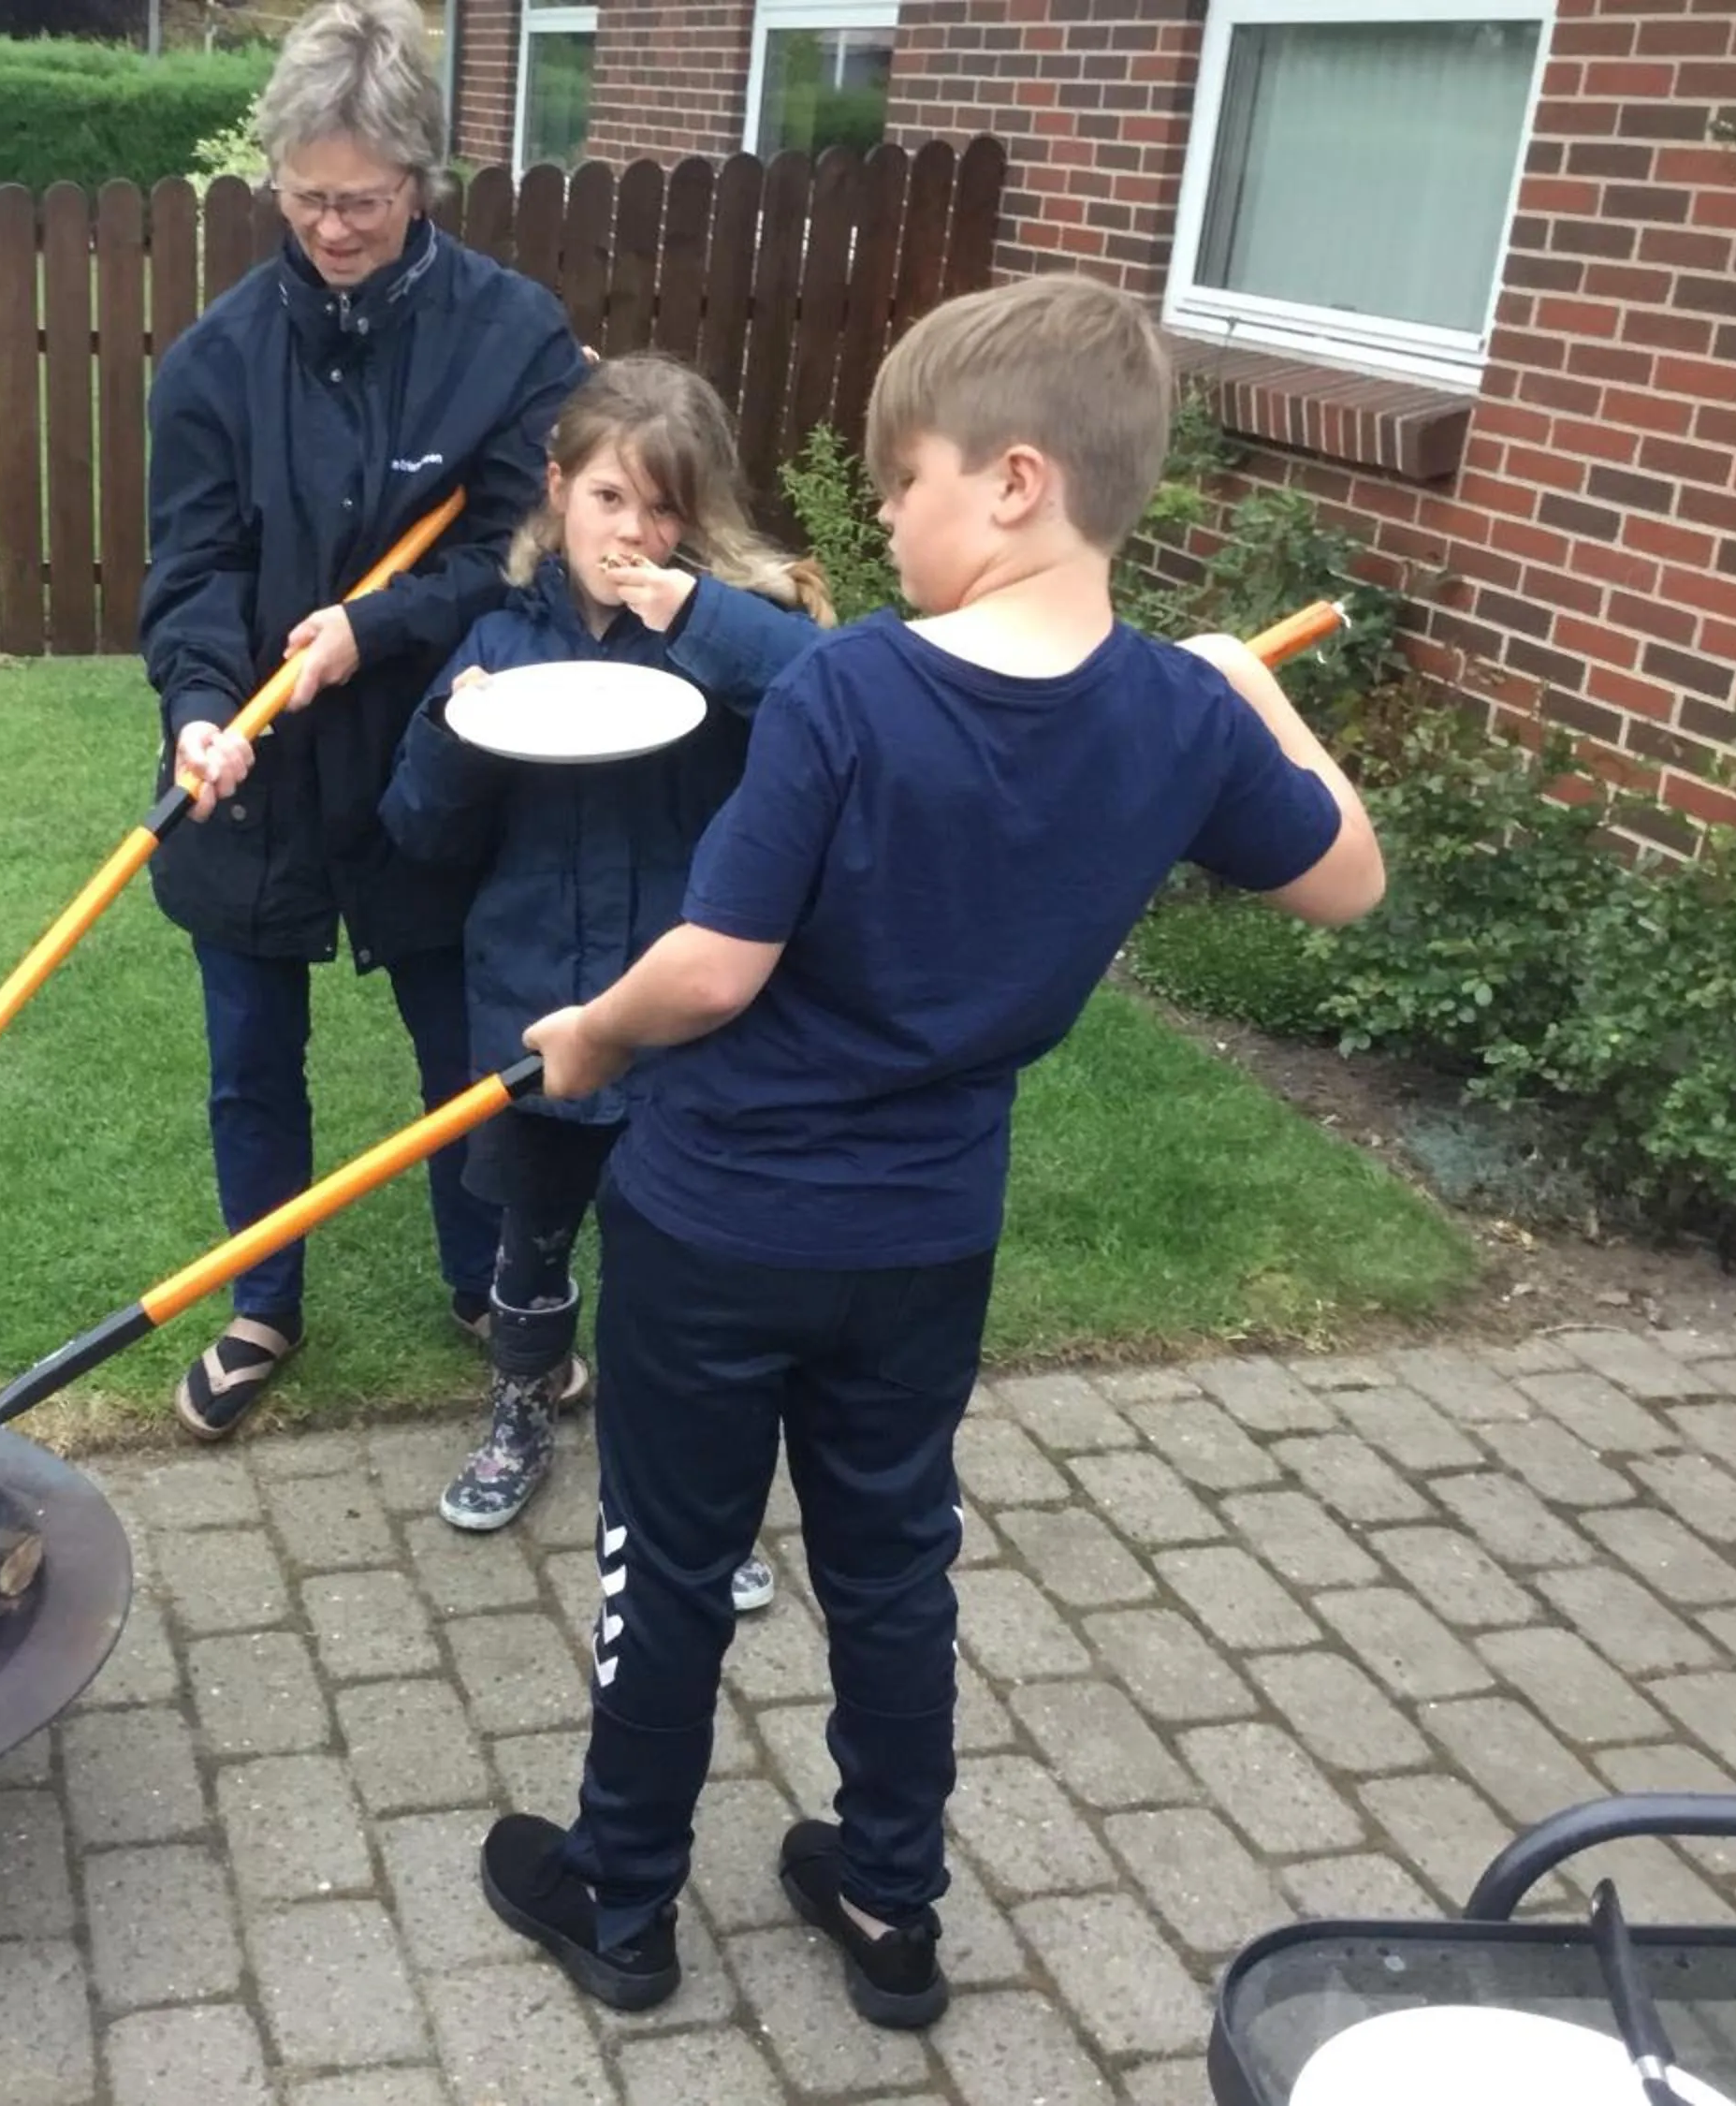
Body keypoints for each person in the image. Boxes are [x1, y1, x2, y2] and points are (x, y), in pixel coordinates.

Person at [471, 271, 1388, 2023]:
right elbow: (1347, 875)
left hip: (723, 1216)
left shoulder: (855, 693)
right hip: (924, 1244)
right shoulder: (1175, 715)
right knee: (893, 1561)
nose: (885, 514)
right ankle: (893, 1907)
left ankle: (623, 1895)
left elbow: (719, 965)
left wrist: (587, 1032)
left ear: (1020, 481)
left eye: (908, 481)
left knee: (670, 1557)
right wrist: (1249, 698)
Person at [139, 0, 591, 1441]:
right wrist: (206, 710)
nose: (334, 227)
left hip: (434, 755)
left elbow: (521, 554)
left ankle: (485, 1283)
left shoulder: (514, 339)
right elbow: (194, 569)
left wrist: (371, 629)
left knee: (464, 1049)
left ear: (422, 181)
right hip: (256, 778)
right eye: (310, 196)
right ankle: (261, 1297)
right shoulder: (213, 364)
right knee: (246, 1055)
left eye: (367, 201)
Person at [380, 354, 832, 1629]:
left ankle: (689, 1495)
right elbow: (415, 830)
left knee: (680, 1273)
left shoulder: (742, 627)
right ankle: (520, 1412)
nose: (637, 536)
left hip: (688, 1018)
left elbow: (827, 696)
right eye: (614, 503)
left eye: (668, 509)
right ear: (559, 491)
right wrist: (447, 730)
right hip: (528, 1002)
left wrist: (693, 611)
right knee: (530, 1245)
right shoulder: (500, 639)